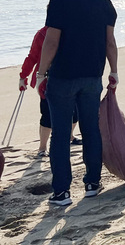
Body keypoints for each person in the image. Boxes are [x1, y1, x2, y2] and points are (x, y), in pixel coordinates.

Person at [36, 0, 118, 206]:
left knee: (60, 134)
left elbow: (51, 41)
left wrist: (41, 72)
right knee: (91, 130)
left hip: (62, 77)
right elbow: (110, 42)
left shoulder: (59, 1)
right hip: (92, 77)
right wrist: (114, 71)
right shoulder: (104, 2)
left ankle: (62, 192)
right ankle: (92, 183)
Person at [19, 26, 80, 158]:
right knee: (47, 114)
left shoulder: (72, 29)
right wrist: (23, 76)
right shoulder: (42, 33)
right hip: (45, 80)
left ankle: (70, 136)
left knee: (75, 113)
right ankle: (42, 148)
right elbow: (32, 57)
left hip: (70, 78)